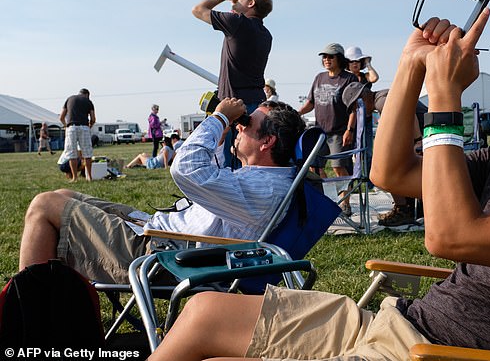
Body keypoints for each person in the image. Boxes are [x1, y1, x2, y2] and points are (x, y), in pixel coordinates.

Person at [147, 5, 490, 361]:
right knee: (206, 311)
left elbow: (450, 237)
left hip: (442, 354)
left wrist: (445, 97)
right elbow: (391, 173)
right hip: (401, 324)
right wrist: (410, 68)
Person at [19, 99, 306, 283]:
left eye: (247, 125)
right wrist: (222, 129)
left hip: (164, 256)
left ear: (267, 141)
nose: (239, 129)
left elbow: (185, 168)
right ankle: (55, 300)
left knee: (44, 205)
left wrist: (219, 119)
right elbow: (211, 173)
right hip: (164, 236)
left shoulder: (262, 189)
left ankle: (26, 315)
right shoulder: (271, 179)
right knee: (63, 194)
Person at [192, 0, 273, 168]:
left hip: (232, 107)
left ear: (251, 3)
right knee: (247, 162)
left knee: (223, 164)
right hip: (255, 104)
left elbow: (198, 10)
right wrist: (237, 1)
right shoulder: (266, 34)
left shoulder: (237, 23)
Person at [342, 81, 427, 226]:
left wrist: (418, 141)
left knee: (387, 168)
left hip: (425, 131)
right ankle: (409, 208)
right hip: (423, 131)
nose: (357, 111)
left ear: (362, 98)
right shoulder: (381, 99)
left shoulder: (382, 102)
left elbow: (409, 111)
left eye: (356, 107)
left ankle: (403, 210)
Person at [298, 43, 357, 214]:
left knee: (339, 167)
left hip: (339, 132)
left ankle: (344, 202)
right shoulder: (319, 78)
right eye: (324, 57)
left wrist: (349, 130)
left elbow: (354, 108)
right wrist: (297, 112)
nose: (326, 59)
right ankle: (330, 198)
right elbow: (310, 103)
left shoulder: (348, 79)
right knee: (313, 167)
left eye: (330, 56)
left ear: (339, 58)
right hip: (320, 132)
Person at [59, 88, 95, 182]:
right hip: (84, 127)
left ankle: (75, 178)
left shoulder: (69, 99)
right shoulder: (88, 101)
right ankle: (89, 177)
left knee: (72, 154)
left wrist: (66, 126)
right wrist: (90, 125)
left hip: (71, 127)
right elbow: (93, 118)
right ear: (87, 95)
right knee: (87, 153)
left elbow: (61, 117)